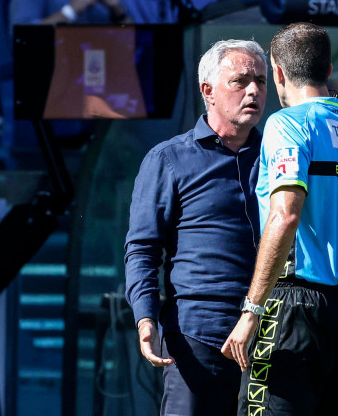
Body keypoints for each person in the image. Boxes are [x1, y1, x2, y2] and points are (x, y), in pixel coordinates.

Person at [222, 22, 338, 415]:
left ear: (280, 73)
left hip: (291, 307)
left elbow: (285, 216)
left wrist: (252, 310)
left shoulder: (286, 125)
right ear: (329, 69)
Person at [124, 39, 267, 416]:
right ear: (208, 90)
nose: (254, 90)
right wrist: (145, 316)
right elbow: (142, 248)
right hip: (199, 339)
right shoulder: (169, 158)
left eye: (261, 81)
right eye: (241, 81)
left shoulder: (279, 154)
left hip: (271, 337)